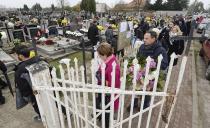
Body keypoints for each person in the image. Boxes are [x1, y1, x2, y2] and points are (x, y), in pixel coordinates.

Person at [137, 31, 168, 108]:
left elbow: (164, 65)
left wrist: (153, 63)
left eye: (146, 38)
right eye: (144, 38)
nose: (144, 40)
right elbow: (138, 57)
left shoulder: (160, 50)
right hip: (141, 73)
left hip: (151, 76)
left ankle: (145, 105)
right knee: (137, 89)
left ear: (153, 39)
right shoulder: (142, 47)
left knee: (147, 92)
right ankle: (134, 103)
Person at [96, 42, 121, 128]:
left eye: (100, 55)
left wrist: (103, 80)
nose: (99, 57)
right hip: (103, 91)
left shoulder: (113, 66)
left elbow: (114, 85)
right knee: (100, 106)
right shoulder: (108, 60)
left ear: (105, 54)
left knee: (107, 113)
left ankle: (107, 123)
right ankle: (100, 116)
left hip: (108, 96)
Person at [14, 45, 41, 121]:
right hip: (43, 86)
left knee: (36, 105)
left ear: (21, 56)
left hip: (32, 93)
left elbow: (21, 86)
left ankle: (41, 116)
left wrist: (26, 96)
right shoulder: (38, 59)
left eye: (17, 55)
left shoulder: (19, 70)